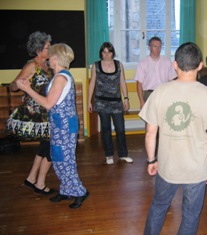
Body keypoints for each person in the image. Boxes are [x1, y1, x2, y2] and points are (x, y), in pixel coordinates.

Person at [139, 42, 207, 235]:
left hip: (167, 165)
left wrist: (151, 160)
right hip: (197, 168)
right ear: (200, 65)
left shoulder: (159, 92)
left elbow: (150, 133)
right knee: (191, 214)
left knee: (159, 206)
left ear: (175, 64)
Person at [17, 43, 89, 209]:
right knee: (58, 159)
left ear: (56, 58)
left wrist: (27, 89)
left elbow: (48, 104)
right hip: (59, 124)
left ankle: (80, 192)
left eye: (50, 56)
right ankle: (65, 190)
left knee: (66, 161)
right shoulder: (58, 76)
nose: (48, 58)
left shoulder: (61, 78)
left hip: (64, 127)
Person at [7, 31, 55, 195]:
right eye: (48, 47)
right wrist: (19, 84)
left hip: (46, 110)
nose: (50, 50)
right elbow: (13, 86)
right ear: (38, 50)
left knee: (45, 145)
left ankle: (31, 178)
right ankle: (40, 183)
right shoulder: (31, 66)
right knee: (50, 146)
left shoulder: (47, 66)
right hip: (35, 113)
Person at [88, 42, 133, 164]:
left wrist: (126, 98)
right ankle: (109, 155)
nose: (107, 54)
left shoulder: (119, 65)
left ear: (113, 52)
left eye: (109, 51)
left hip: (117, 103)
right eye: (104, 52)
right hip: (101, 103)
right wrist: (89, 101)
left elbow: (122, 82)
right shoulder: (96, 66)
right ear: (101, 53)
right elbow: (92, 83)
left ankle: (123, 154)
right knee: (106, 129)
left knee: (120, 129)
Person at [134, 36, 177, 109]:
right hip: (149, 94)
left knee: (164, 118)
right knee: (150, 119)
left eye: (160, 47)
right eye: (155, 46)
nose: (158, 49)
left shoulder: (167, 62)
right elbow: (139, 85)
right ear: (149, 47)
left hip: (164, 94)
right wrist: (141, 102)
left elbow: (172, 81)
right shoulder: (143, 63)